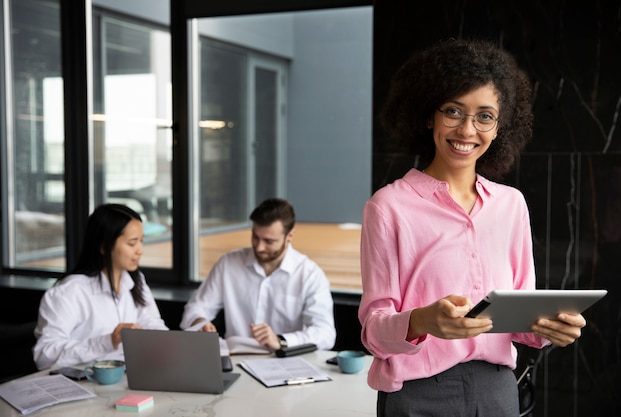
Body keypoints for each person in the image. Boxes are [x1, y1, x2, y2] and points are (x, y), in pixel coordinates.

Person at [358, 38, 587, 417]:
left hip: (497, 389)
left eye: (484, 116)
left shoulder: (511, 205)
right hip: (419, 395)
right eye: (453, 111)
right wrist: (421, 321)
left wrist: (548, 330)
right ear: (429, 114)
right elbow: (373, 333)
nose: (467, 129)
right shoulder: (388, 207)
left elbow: (517, 318)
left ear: (499, 127)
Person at [180, 198, 336, 351]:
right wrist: (200, 322)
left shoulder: (310, 275)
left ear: (290, 236)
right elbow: (196, 307)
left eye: (269, 241)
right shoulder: (228, 264)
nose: (259, 247)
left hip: (287, 361)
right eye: (255, 237)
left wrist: (281, 341)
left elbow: (325, 334)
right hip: (235, 360)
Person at [33, 204, 168, 370]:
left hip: (129, 378)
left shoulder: (136, 281)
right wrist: (107, 341)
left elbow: (152, 324)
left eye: (141, 241)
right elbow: (45, 355)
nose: (140, 250)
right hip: (83, 384)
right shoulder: (69, 292)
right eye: (132, 243)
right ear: (104, 247)